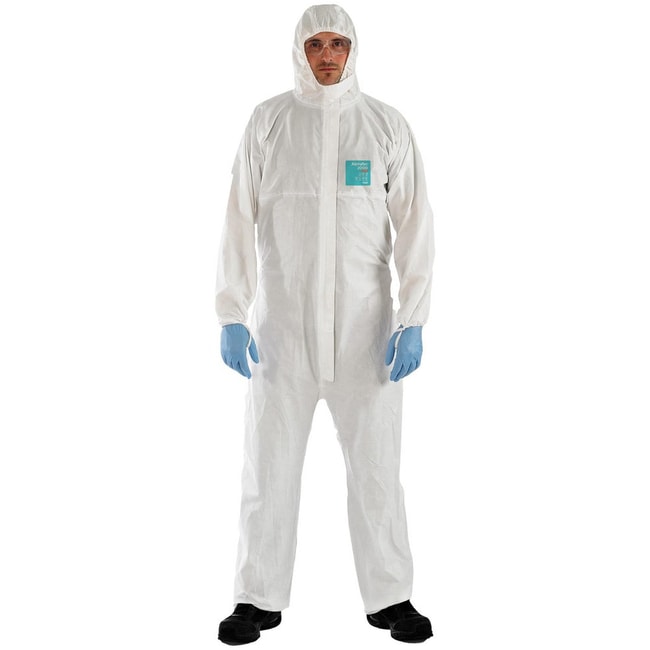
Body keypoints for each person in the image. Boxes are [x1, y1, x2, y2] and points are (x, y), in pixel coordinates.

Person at [215, 4, 435, 645]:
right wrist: (231, 310)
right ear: (299, 51)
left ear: (354, 49)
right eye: (316, 44)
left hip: (366, 334)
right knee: (269, 466)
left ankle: (391, 597)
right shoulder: (269, 122)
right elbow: (238, 216)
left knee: (377, 467)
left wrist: (413, 317)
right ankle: (256, 598)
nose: (328, 55)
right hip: (281, 333)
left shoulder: (385, 126)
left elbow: (416, 224)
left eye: (339, 43)